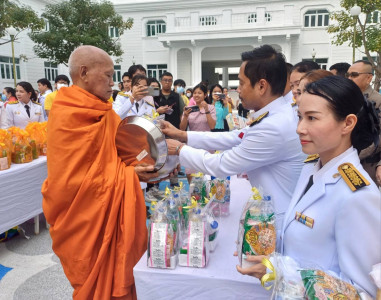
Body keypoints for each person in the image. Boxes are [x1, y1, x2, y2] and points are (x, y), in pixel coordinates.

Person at [238, 76, 381, 298]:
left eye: (312, 118)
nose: (300, 128)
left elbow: (361, 292)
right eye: (299, 117)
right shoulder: (312, 167)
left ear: (348, 123)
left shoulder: (358, 196)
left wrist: (280, 272)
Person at [41, 45, 159, 300]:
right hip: (83, 219)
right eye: (107, 75)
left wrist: (152, 157)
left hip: (109, 212)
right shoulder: (66, 113)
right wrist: (130, 175)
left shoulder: (105, 111)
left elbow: (121, 153)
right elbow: (70, 183)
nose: (113, 83)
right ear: (84, 72)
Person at [163, 45, 305, 235]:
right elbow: (234, 137)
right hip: (272, 214)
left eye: (241, 83)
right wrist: (183, 135)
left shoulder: (274, 126)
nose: (238, 89)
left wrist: (180, 149)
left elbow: (221, 165)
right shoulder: (273, 116)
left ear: (261, 86)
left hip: (278, 225)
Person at [346, 60, 381, 185]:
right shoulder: (344, 98)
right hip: (343, 160)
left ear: (368, 78)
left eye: (354, 75)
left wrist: (356, 155)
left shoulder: (377, 100)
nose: (349, 78)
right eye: (347, 75)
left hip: (367, 163)